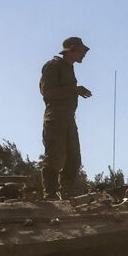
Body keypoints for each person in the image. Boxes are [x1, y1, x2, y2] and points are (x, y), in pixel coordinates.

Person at [39, 37, 92, 199]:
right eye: (81, 51)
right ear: (71, 50)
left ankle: (66, 193)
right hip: (55, 117)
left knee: (74, 159)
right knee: (54, 156)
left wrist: (74, 90)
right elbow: (47, 92)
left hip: (68, 119)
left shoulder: (69, 68)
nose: (84, 55)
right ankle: (50, 194)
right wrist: (74, 90)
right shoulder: (53, 66)